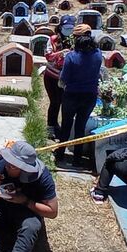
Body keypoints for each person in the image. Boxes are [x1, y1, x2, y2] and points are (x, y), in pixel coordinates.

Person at [54, 24, 102, 167]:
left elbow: (63, 80)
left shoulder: (71, 57)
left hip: (72, 95)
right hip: (90, 96)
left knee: (67, 125)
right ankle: (77, 159)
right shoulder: (98, 55)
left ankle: (60, 154)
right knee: (80, 126)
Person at [43, 15, 75, 139]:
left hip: (65, 78)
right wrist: (61, 53)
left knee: (62, 102)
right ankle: (50, 126)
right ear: (60, 27)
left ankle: (57, 125)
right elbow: (48, 56)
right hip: (51, 76)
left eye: (71, 28)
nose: (68, 30)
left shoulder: (75, 41)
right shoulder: (53, 39)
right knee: (54, 101)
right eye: (66, 28)